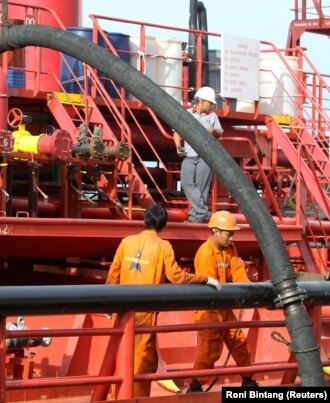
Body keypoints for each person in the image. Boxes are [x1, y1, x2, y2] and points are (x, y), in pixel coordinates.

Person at [105, 204, 221, 398]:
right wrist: (204, 279)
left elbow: (113, 276)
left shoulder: (126, 243)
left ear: (145, 221)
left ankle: (114, 397)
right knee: (141, 364)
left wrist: (107, 304)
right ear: (163, 225)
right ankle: (135, 399)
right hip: (145, 317)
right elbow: (177, 277)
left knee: (120, 359)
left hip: (122, 313)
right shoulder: (163, 246)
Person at [186, 210, 258, 392]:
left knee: (239, 342)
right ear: (215, 231)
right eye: (228, 233)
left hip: (223, 307)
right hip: (209, 310)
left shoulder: (230, 249)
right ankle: (195, 386)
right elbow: (211, 286)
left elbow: (238, 272)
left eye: (233, 234)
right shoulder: (205, 254)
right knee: (211, 350)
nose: (231, 238)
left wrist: (249, 289)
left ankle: (248, 379)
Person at [173, 86, 223, 223]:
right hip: (189, 156)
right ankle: (202, 212)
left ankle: (194, 219)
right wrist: (178, 147)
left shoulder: (213, 117)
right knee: (186, 183)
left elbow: (219, 133)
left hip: (205, 158)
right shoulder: (187, 114)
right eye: (210, 103)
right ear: (201, 101)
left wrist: (213, 130)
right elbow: (177, 131)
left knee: (201, 188)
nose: (212, 106)